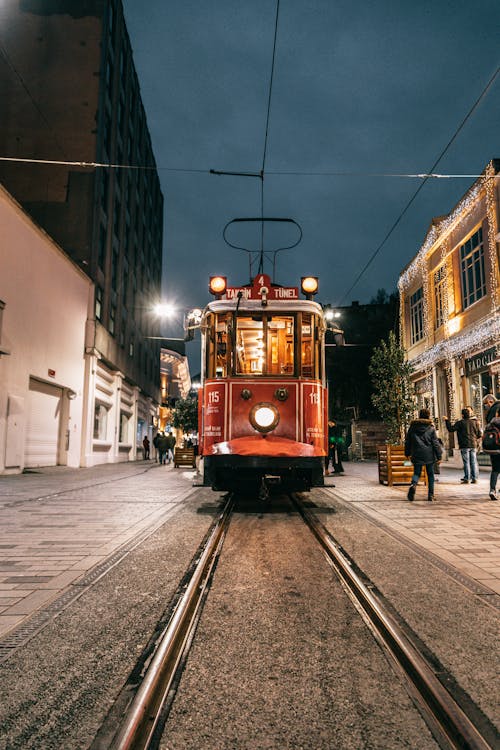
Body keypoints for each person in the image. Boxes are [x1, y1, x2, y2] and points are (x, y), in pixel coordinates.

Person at [405, 407, 442, 502]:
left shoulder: (412, 427)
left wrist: (407, 453)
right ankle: (431, 495)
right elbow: (435, 443)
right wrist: (439, 456)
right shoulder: (431, 428)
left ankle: (413, 484)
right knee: (430, 474)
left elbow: (408, 441)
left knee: (417, 472)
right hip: (429, 454)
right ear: (428, 416)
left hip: (416, 453)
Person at [444, 408, 482, 484]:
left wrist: (447, 420)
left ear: (462, 415)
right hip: (473, 445)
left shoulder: (460, 423)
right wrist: (474, 439)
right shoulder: (475, 423)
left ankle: (467, 478)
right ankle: (474, 478)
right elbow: (479, 434)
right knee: (473, 462)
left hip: (464, 445)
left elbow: (451, 429)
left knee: (466, 462)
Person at [482, 404, 500, 501]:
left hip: (493, 450)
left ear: (497, 413)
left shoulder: (491, 424)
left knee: (495, 470)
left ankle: (492, 490)